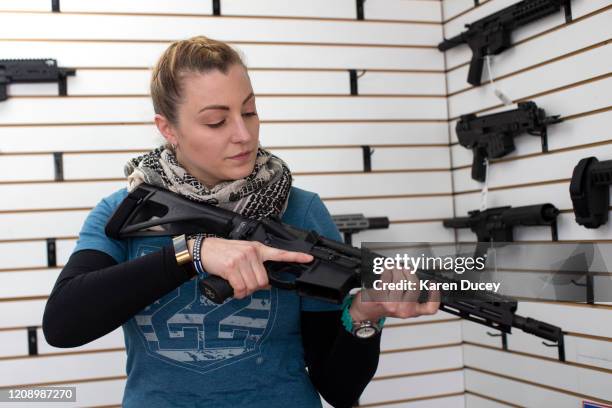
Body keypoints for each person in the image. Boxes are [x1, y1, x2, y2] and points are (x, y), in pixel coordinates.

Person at [42, 35, 439, 408]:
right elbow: (63, 324)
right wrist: (191, 255)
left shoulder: (300, 210)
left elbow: (338, 388)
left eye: (249, 111)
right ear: (168, 129)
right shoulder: (128, 211)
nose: (243, 134)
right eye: (216, 121)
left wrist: (364, 317)